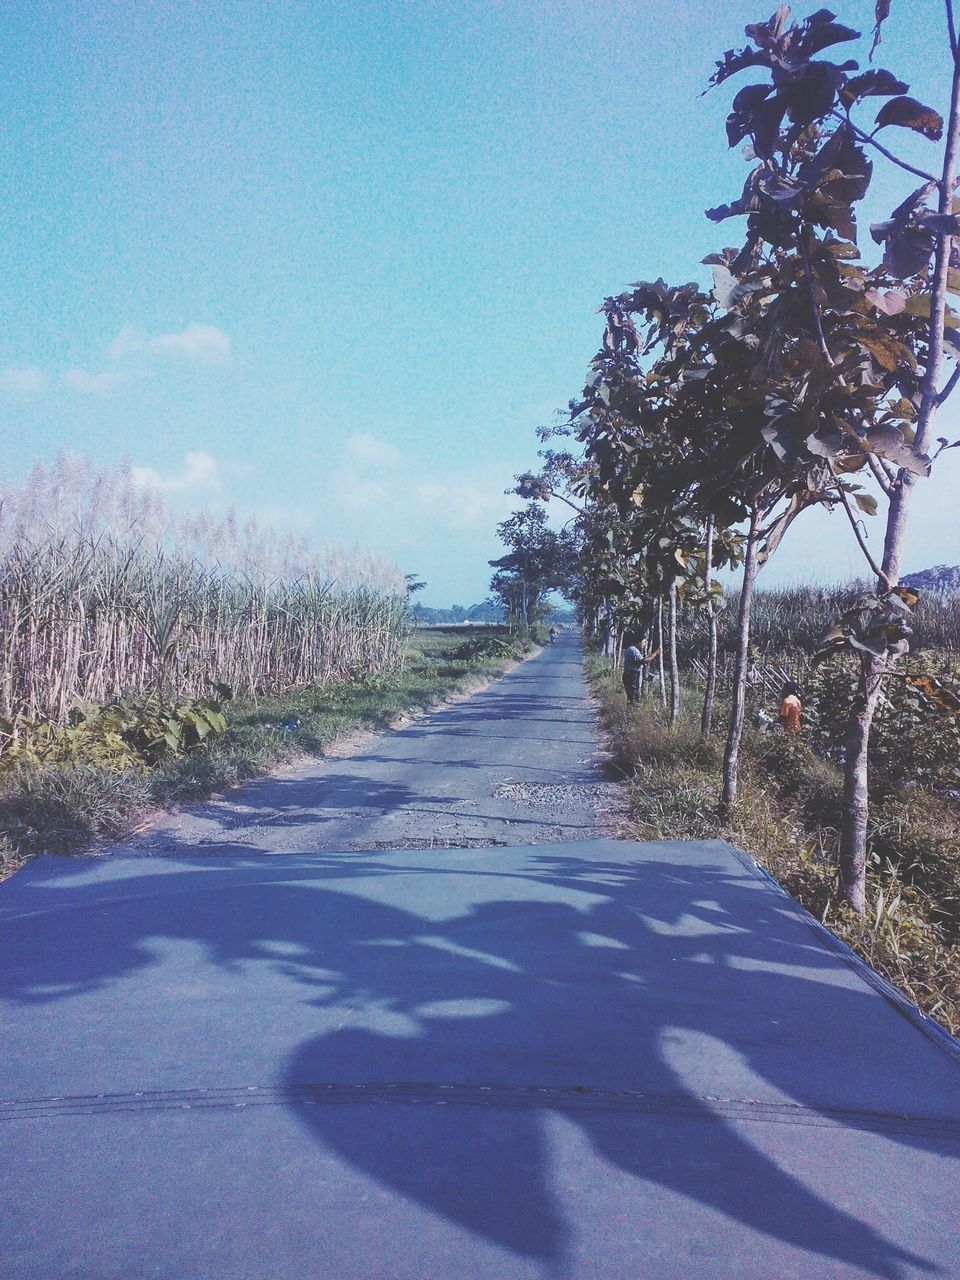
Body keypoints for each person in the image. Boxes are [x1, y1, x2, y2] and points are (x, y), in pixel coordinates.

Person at [622, 636, 659, 704]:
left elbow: (642, 660)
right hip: (631, 676)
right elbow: (644, 661)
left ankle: (631, 711)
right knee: (634, 697)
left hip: (630, 675)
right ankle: (632, 712)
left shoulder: (632, 648)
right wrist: (656, 653)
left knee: (632, 697)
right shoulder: (633, 650)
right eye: (644, 642)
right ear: (639, 642)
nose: (645, 644)